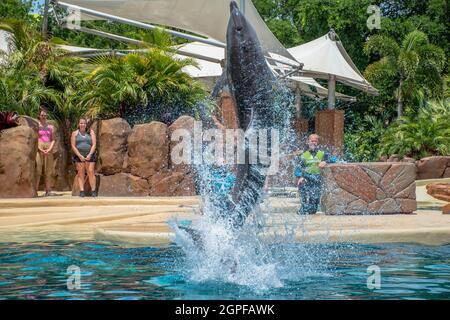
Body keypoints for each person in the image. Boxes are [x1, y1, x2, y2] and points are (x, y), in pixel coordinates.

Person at [294, 134, 337, 215]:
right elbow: (297, 170)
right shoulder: (303, 155)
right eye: (312, 141)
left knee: (313, 209)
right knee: (302, 185)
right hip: (306, 179)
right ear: (308, 142)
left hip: (317, 180)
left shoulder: (322, 153)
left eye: (315, 141)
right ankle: (303, 208)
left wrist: (325, 161)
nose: (313, 142)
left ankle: (310, 209)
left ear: (318, 142)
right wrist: (300, 177)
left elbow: (335, 159)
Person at [71, 118, 97, 197]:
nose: (83, 125)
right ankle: (82, 191)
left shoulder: (91, 132)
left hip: (90, 155)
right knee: (80, 173)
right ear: (78, 124)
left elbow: (94, 144)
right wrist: (79, 155)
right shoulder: (74, 133)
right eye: (81, 123)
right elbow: (73, 145)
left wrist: (90, 154)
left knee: (91, 172)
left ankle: (93, 191)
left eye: (84, 123)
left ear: (86, 124)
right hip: (79, 156)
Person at [35, 109, 56, 196]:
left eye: (45, 115)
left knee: (48, 170)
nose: (43, 117)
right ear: (39, 116)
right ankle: (34, 190)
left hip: (48, 147)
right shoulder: (36, 126)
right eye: (42, 115)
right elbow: (35, 139)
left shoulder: (51, 127)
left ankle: (48, 190)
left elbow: (53, 139)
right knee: (38, 169)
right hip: (39, 146)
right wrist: (40, 149)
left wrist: (49, 149)